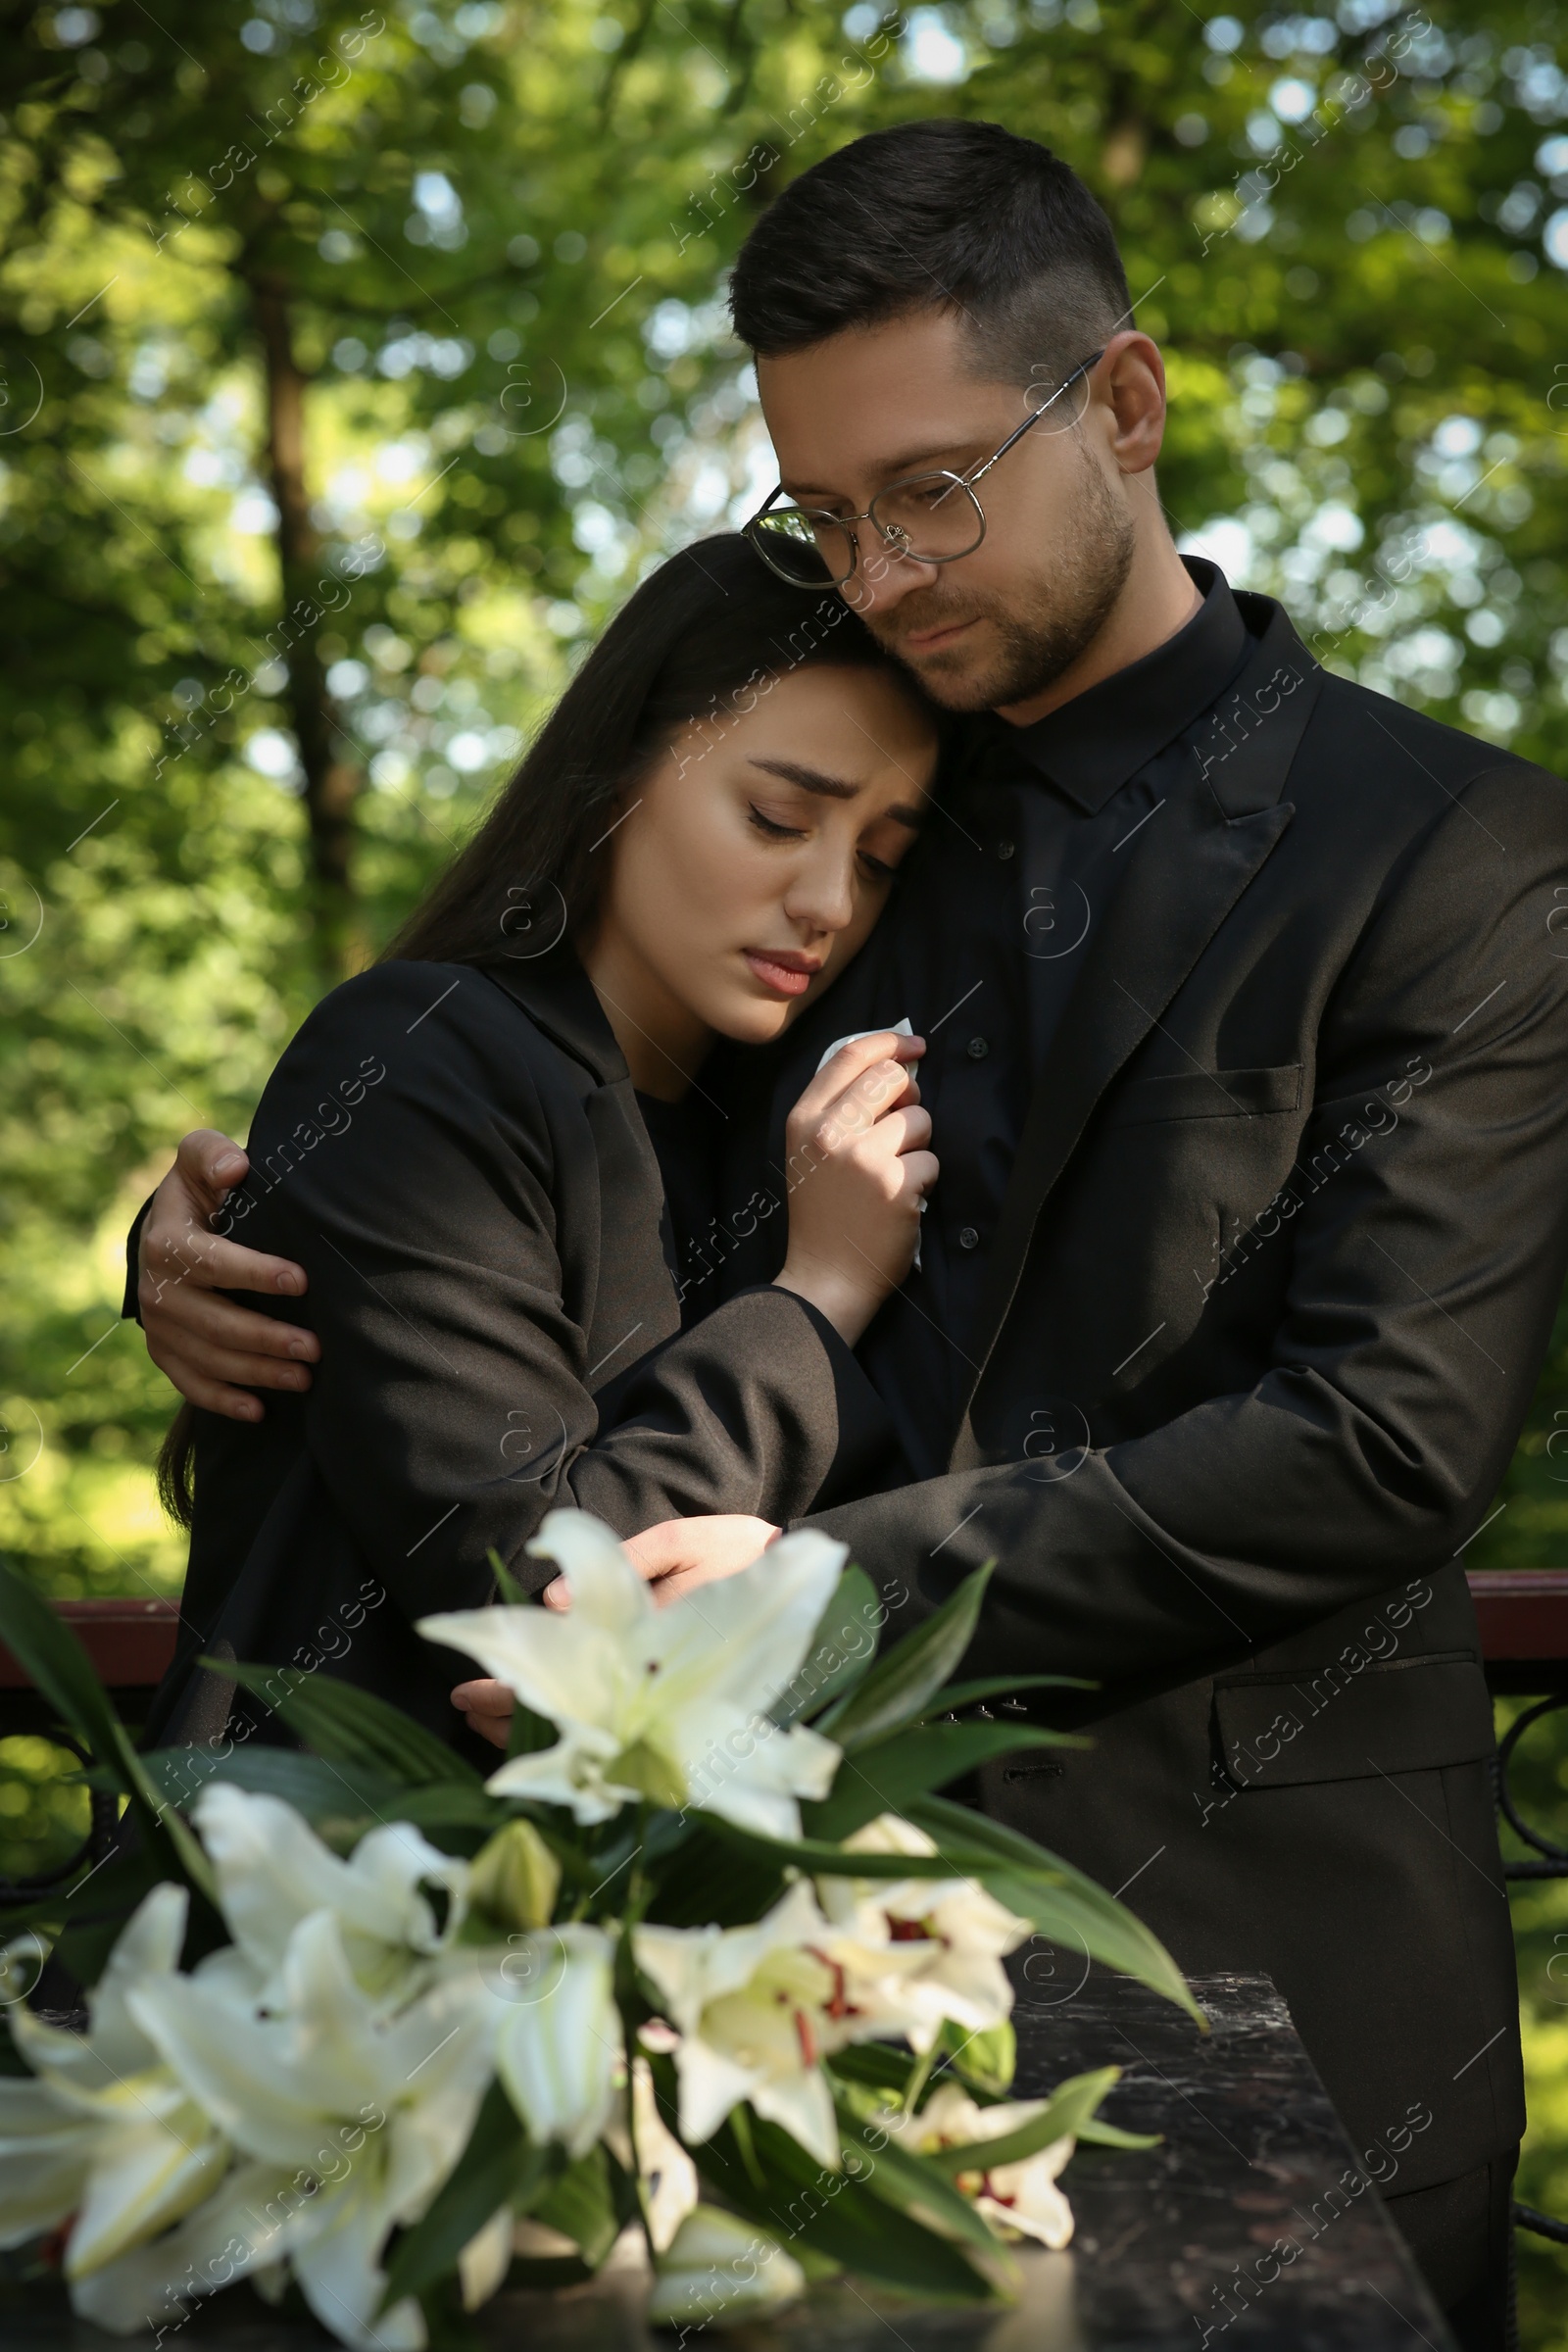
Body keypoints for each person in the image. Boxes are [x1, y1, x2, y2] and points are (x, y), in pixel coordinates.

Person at [133, 122, 1567, 2345]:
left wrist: (832, 1587)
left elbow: (1386, 1436)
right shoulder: (829, 794)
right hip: (749, 2017)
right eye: (823, 509)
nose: (885, 568)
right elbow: (538, 1177)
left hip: (1269, 1964)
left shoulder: (1456, 855)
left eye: (930, 486)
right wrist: (248, 1217)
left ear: (1119, 404)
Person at [130, 532, 939, 1753]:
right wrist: (819, 1296)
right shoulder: (419, 1054)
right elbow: (540, 1596)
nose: (829, 901)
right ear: (618, 776)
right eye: (778, 818)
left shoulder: (785, 1134)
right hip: (350, 1911)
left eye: (879, 859)